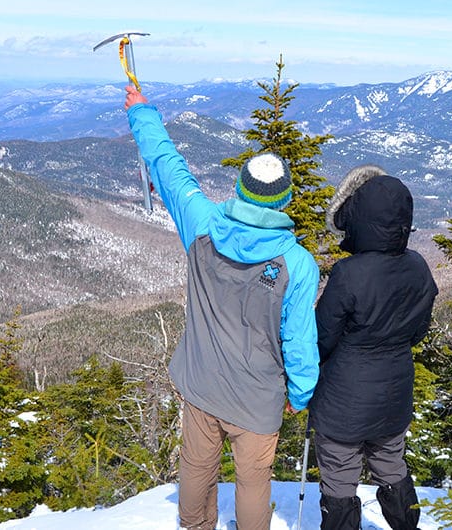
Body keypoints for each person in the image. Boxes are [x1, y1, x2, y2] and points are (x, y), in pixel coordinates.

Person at [123, 85, 320, 530]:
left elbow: (170, 169)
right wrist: (300, 392)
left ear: (239, 190)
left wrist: (142, 113)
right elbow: (299, 338)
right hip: (258, 396)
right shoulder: (297, 264)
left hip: (203, 383)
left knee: (196, 468)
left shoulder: (202, 223)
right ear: (285, 200)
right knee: (253, 483)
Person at [308, 165, 438, 530]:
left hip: (343, 399)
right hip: (394, 391)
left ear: (359, 219)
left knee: (339, 477)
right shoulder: (418, 267)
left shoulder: (349, 273)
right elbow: (418, 331)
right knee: (392, 466)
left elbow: (323, 336)